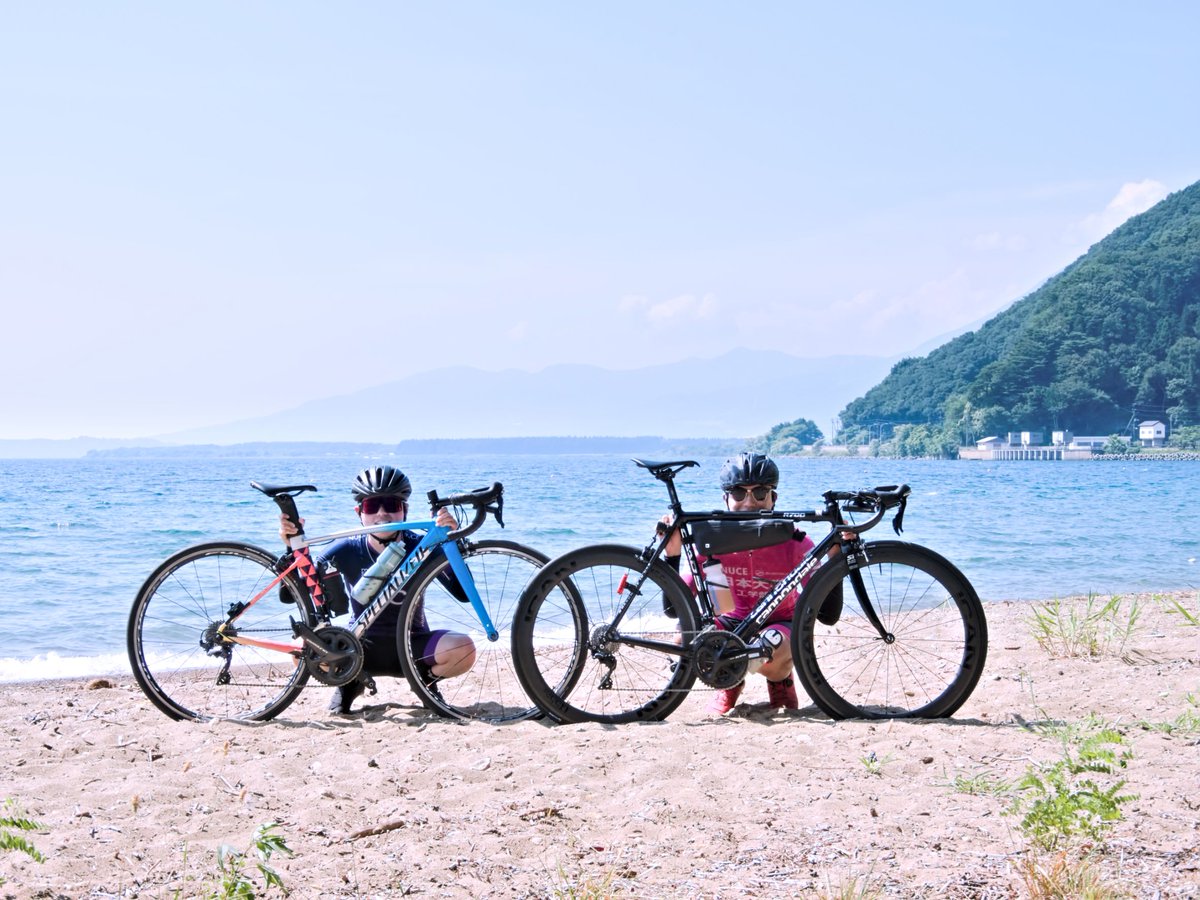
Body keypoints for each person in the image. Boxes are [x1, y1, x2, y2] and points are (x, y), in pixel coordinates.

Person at [280, 465, 475, 715]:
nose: (382, 514)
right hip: (359, 650)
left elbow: (464, 594)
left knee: (464, 647)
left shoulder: (422, 546)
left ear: (405, 510)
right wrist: (291, 547)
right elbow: (291, 596)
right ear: (359, 512)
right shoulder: (347, 548)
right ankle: (349, 681)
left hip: (414, 646)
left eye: (391, 504)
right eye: (372, 506)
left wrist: (451, 541)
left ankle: (425, 680)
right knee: (299, 648)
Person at [659, 452, 840, 715]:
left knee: (769, 644)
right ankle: (730, 681)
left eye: (759, 493)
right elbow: (674, 610)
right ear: (725, 498)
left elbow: (828, 614)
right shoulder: (712, 543)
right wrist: (672, 556)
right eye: (739, 493)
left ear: (773, 498)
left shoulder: (796, 542)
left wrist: (836, 560)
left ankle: (779, 680)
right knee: (682, 638)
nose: (749, 503)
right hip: (730, 622)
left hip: (781, 625)